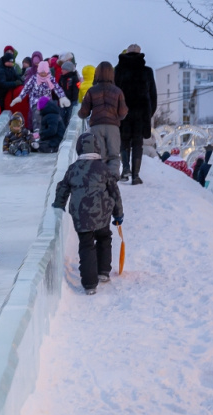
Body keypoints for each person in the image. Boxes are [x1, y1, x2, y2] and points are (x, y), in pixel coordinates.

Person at [52, 133, 124, 295]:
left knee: (86, 245)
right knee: (104, 237)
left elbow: (63, 187)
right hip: (102, 212)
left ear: (79, 148)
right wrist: (118, 214)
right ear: (97, 148)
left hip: (81, 213)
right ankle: (103, 271)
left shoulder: (73, 169)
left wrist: (59, 204)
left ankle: (90, 284)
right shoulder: (103, 169)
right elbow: (114, 192)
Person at [115, 44, 157, 185]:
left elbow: (114, 92)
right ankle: (135, 176)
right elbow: (153, 96)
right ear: (140, 54)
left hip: (123, 112)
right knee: (138, 143)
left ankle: (125, 169)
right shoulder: (147, 71)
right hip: (141, 113)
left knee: (124, 141)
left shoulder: (119, 70)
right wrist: (149, 113)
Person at [77, 61, 128, 177]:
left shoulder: (92, 90)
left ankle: (100, 180)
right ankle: (113, 179)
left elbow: (84, 112)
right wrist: (116, 117)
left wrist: (80, 114)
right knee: (114, 155)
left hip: (96, 126)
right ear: (112, 74)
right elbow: (123, 113)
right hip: (113, 127)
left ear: (97, 74)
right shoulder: (117, 91)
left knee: (100, 155)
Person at [11, 61, 70, 136]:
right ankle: (37, 132)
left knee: (50, 115)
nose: (43, 74)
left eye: (44, 72)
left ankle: (51, 132)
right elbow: (26, 88)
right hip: (36, 101)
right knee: (37, 114)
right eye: (41, 72)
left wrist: (62, 97)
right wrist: (20, 97)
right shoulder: (34, 78)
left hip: (47, 101)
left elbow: (57, 88)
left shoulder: (50, 78)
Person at [58, 61, 79, 126]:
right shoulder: (61, 78)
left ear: (68, 70)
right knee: (61, 117)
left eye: (63, 69)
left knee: (69, 117)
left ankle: (67, 130)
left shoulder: (74, 78)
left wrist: (74, 100)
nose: (61, 71)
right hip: (63, 101)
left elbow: (76, 90)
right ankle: (62, 131)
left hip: (71, 102)